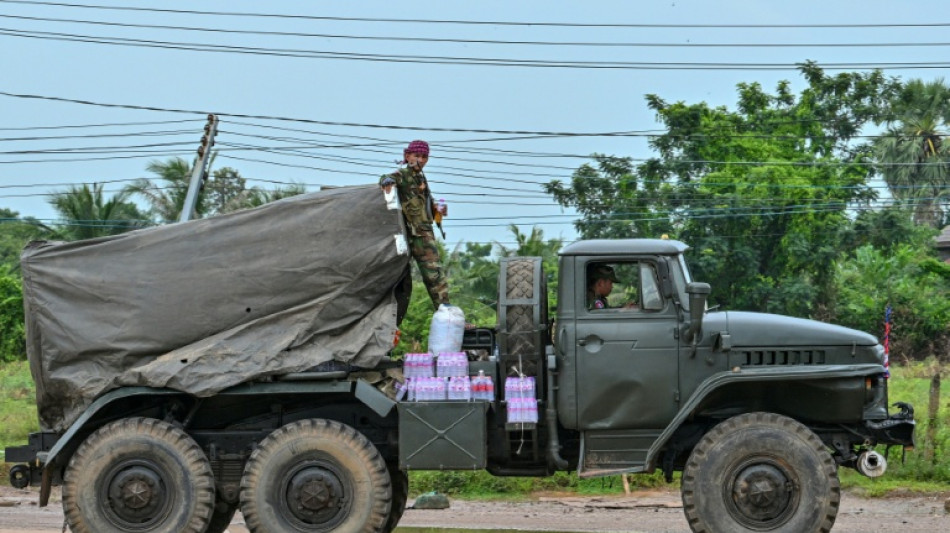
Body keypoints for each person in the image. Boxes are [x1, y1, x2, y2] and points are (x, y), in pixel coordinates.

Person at [380, 140, 449, 310]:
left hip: (424, 232)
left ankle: (445, 311)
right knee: (433, 275)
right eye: (417, 156)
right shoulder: (404, 175)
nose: (421, 160)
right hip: (415, 234)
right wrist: (387, 181)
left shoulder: (420, 177)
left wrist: (438, 209)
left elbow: (425, 205)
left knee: (434, 276)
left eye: (424, 157)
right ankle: (445, 311)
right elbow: (387, 178)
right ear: (407, 156)